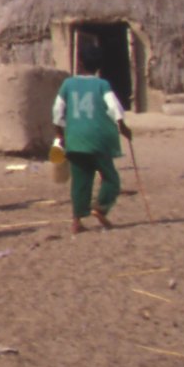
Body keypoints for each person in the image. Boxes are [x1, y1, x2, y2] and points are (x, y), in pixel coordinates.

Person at [54, 36, 131, 233]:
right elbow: (114, 107)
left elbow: (57, 110)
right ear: (99, 66)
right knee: (111, 178)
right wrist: (123, 127)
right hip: (99, 140)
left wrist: (60, 133)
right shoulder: (102, 85)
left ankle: (76, 221)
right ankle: (101, 207)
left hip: (75, 140)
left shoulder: (68, 84)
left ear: (79, 62)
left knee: (80, 181)